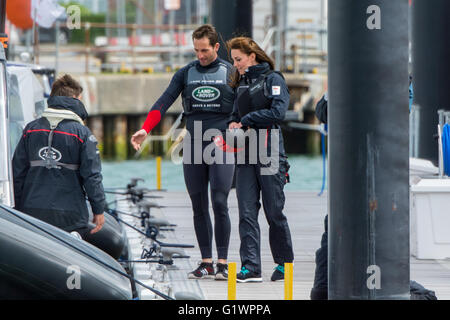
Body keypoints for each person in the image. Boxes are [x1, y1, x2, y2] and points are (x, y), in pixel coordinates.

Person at [130, 24, 235, 280]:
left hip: (222, 143)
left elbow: (243, 107)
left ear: (217, 47)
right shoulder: (186, 73)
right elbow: (163, 101)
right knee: (198, 205)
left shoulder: (231, 72)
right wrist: (145, 129)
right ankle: (206, 262)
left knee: (219, 202)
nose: (200, 55)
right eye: (197, 50)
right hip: (193, 144)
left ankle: (222, 262)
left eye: (205, 50)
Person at [227, 37, 294, 282]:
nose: (236, 65)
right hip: (246, 153)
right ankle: (251, 266)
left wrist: (247, 120)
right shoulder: (241, 83)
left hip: (270, 149)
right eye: (233, 61)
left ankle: (284, 264)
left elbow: (278, 112)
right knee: (246, 211)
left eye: (238, 59)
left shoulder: (274, 79)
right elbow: (235, 115)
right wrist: (233, 124)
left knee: (274, 211)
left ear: (252, 56)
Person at [12, 74, 105, 238]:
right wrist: (98, 209)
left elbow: (17, 173)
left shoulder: (30, 129)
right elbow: (92, 176)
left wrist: (17, 208)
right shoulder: (82, 133)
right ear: (75, 99)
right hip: (70, 215)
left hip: (31, 211)